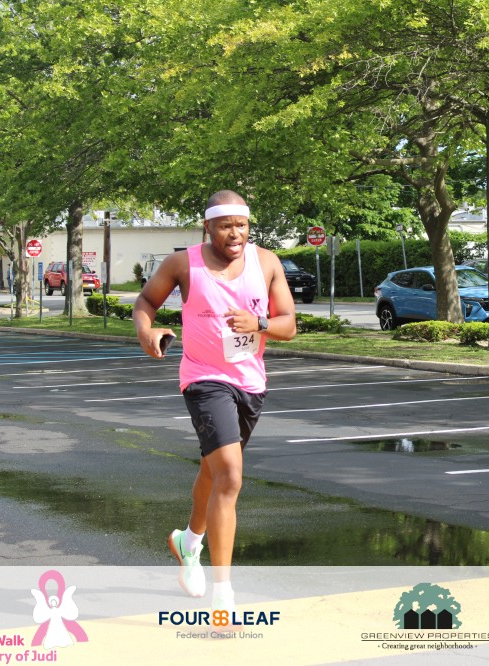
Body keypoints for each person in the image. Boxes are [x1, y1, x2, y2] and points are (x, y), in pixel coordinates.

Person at [133, 190, 296, 610]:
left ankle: (189, 542)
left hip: (250, 383)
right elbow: (146, 302)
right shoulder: (182, 263)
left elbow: (289, 325)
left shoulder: (266, 263)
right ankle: (223, 596)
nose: (235, 233)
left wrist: (259, 322)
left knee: (213, 470)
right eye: (225, 226)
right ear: (208, 227)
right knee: (230, 476)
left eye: (241, 225)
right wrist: (147, 331)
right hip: (204, 378)